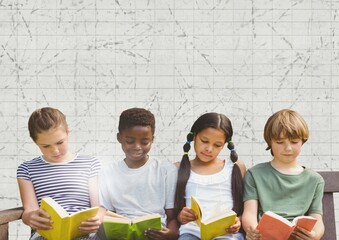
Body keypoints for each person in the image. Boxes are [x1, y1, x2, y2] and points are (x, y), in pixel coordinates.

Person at [17, 107, 104, 240]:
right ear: (35, 142)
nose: (55, 151)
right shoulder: (27, 169)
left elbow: (98, 206)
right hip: (47, 234)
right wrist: (30, 217)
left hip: (85, 234)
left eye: (60, 142)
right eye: (46, 146)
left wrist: (98, 218)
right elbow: (29, 210)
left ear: (67, 132)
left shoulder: (91, 164)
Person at [242, 109, 325, 240]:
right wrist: (252, 230)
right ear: (270, 142)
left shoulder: (315, 180)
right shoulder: (254, 174)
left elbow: (317, 218)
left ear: (302, 141)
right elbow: (249, 213)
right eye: (280, 142)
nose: (288, 148)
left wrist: (314, 235)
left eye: (294, 142)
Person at [99, 107, 179, 239]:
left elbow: (172, 217)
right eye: (130, 141)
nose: (137, 147)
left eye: (144, 142)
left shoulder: (165, 170)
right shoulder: (108, 172)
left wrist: (172, 233)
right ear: (119, 137)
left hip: (155, 235)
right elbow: (108, 214)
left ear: (152, 139)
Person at [175, 112, 246, 240]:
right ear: (194, 137)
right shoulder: (178, 168)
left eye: (217, 145)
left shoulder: (235, 167)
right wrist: (180, 216)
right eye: (204, 141)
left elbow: (244, 208)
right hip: (191, 232)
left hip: (226, 234)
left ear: (224, 145)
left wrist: (238, 221)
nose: (209, 149)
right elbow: (172, 210)